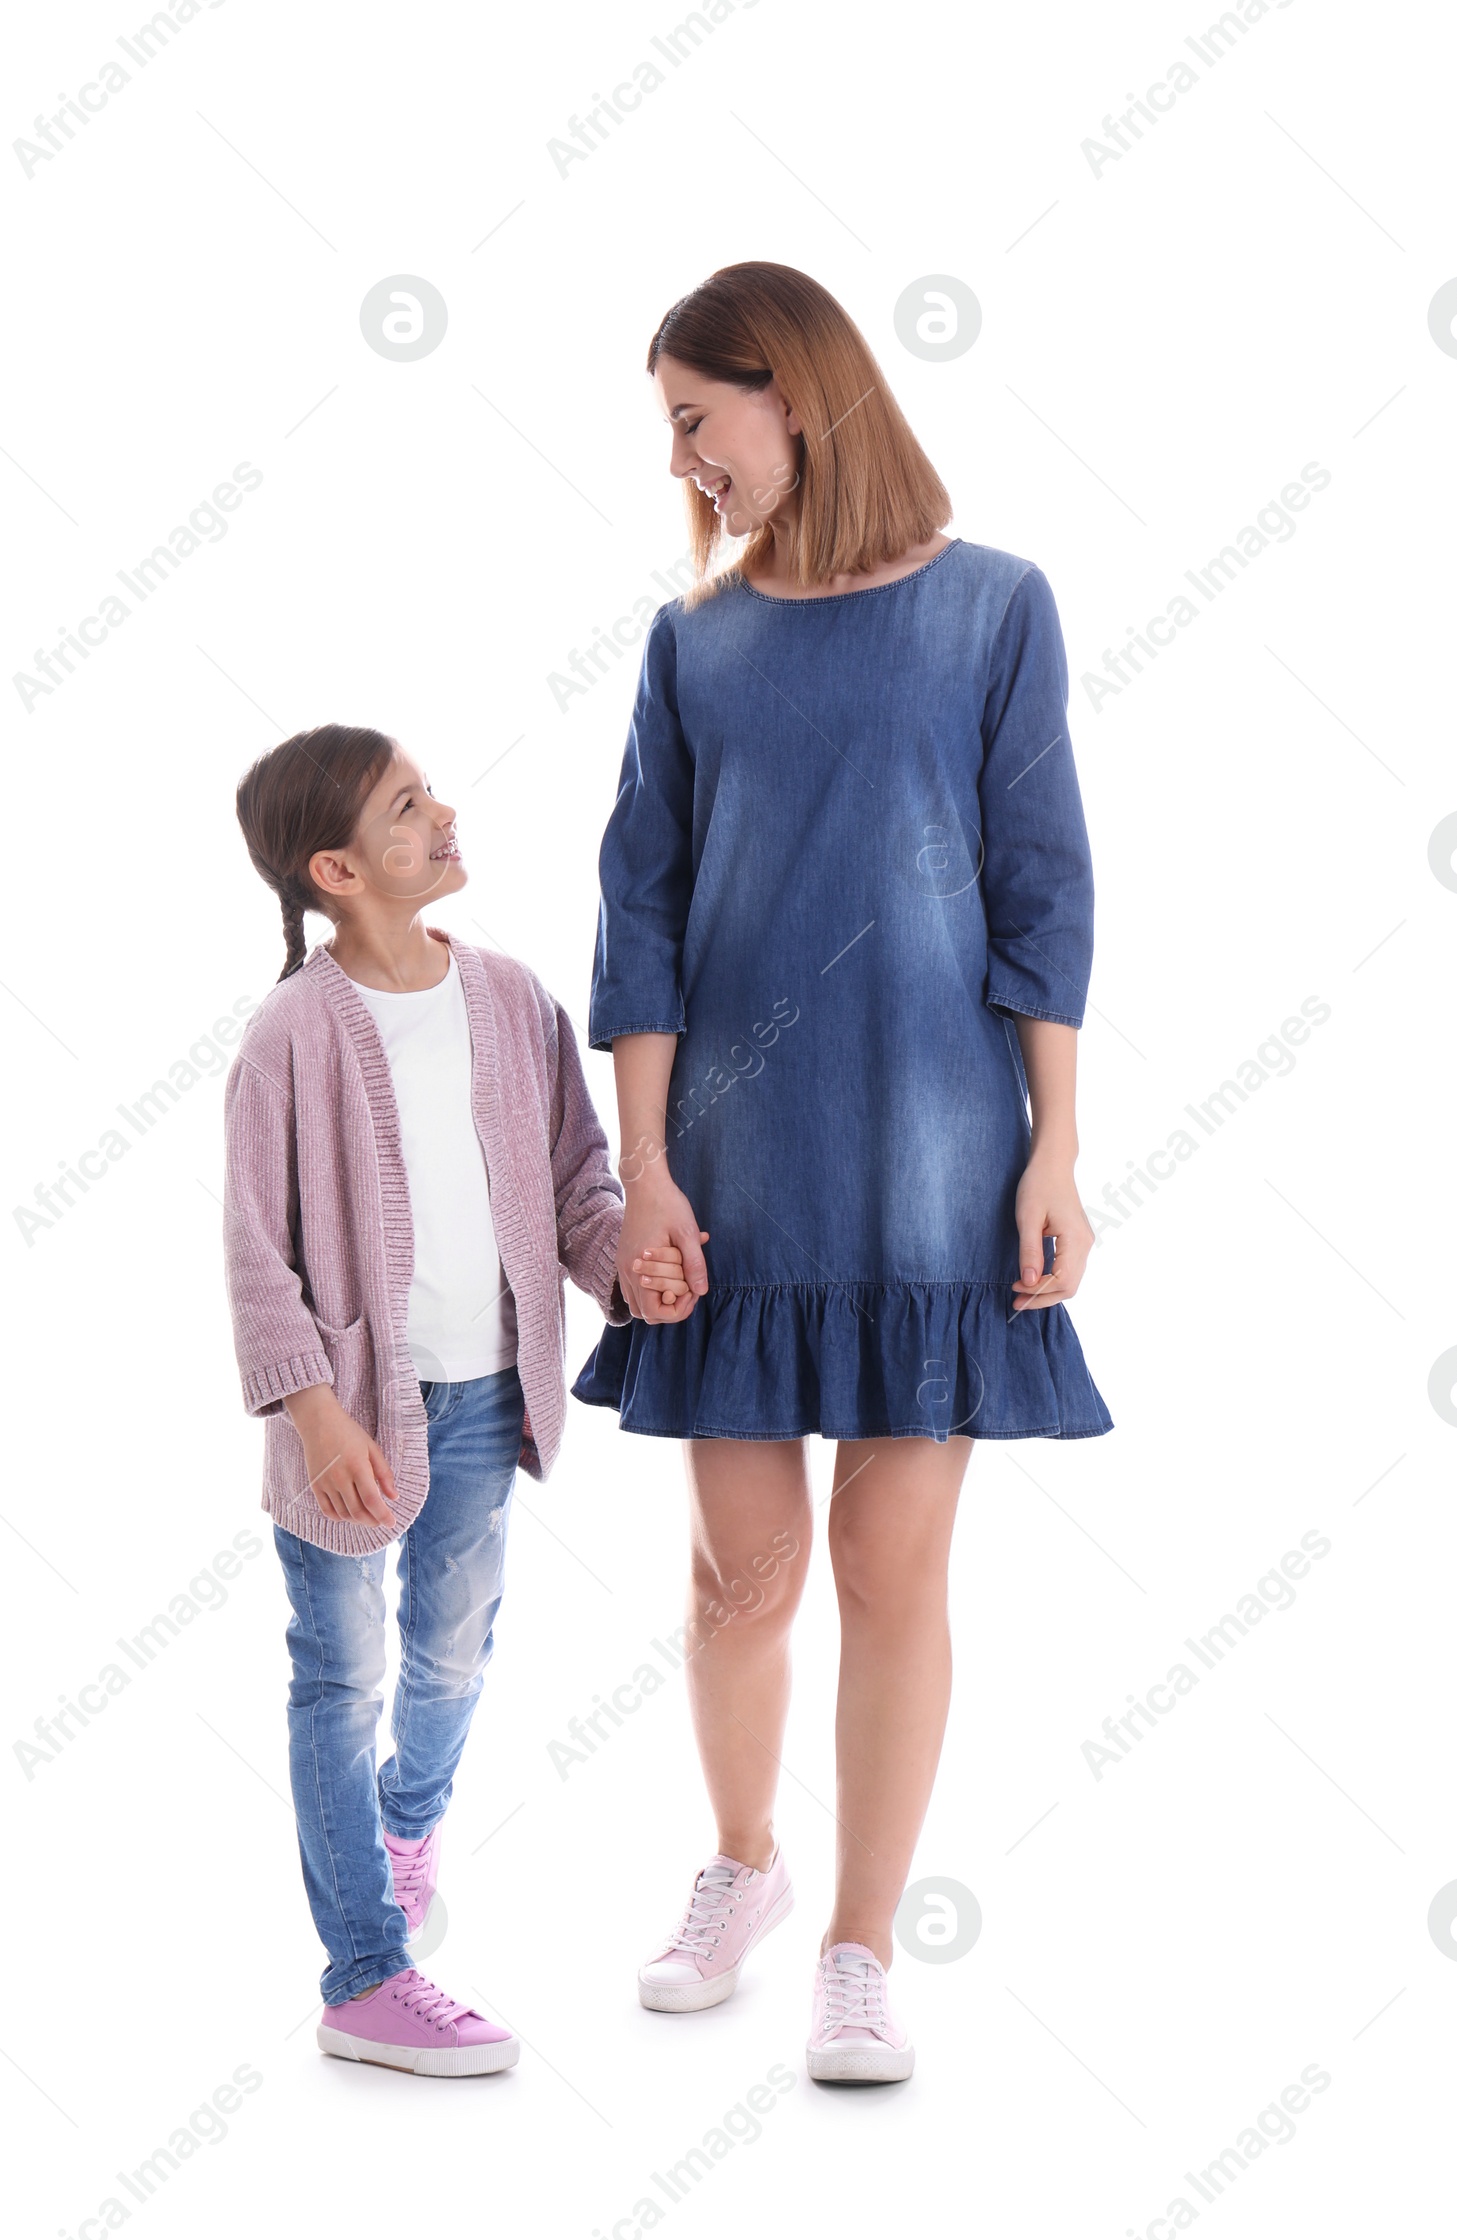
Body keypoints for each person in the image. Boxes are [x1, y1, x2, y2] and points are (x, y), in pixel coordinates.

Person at [573, 263, 1115, 2084]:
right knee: (743, 1570)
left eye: (694, 418)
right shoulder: (693, 643)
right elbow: (637, 915)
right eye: (671, 428)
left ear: (790, 392)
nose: (684, 459)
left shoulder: (993, 611)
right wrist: (640, 1174)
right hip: (731, 1169)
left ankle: (861, 1947)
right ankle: (740, 1866)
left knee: (893, 1563)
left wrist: (1055, 1144)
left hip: (936, 1161)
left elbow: (1045, 888)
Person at [223, 723, 688, 2077]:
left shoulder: (511, 999)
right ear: (338, 870)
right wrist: (314, 1416)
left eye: (429, 794)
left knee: (449, 1653)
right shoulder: (291, 1037)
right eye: (406, 809)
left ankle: (405, 1828)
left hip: (489, 1395)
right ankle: (364, 1974)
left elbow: (576, 1189)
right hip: (352, 1419)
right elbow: (257, 1254)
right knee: (339, 1673)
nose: (441, 816)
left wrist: (626, 1274)